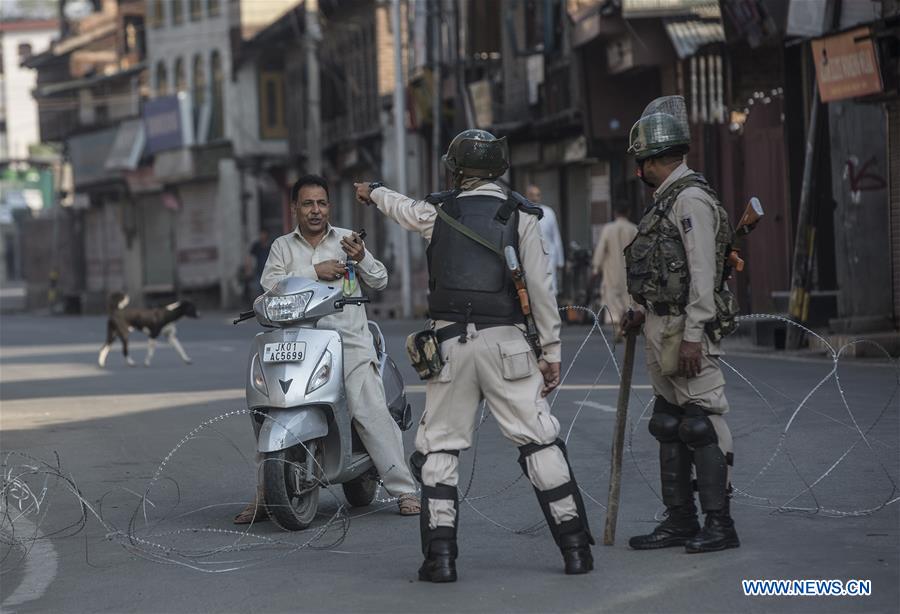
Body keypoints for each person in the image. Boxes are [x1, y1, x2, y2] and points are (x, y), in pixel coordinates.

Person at [353, 129, 594, 582]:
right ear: (499, 168)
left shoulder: (437, 211)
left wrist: (374, 192)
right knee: (538, 442)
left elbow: (401, 209)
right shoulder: (522, 215)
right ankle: (575, 548)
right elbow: (542, 292)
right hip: (508, 346)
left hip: (449, 348)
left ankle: (440, 560)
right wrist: (551, 353)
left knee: (440, 447)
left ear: (456, 169)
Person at [233, 174, 420, 524]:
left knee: (369, 411)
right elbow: (269, 285)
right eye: (307, 204)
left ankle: (404, 489)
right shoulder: (282, 247)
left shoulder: (347, 240)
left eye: (321, 203)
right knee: (271, 409)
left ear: (328, 207)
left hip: (347, 340)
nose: (315, 210)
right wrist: (314, 271)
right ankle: (265, 492)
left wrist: (362, 258)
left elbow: (380, 280)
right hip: (295, 340)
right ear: (294, 209)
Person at [620, 96, 740, 553]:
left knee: (701, 423)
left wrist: (694, 335)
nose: (638, 169)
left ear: (653, 158)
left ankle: (719, 524)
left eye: (641, 160)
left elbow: (703, 272)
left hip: (684, 331)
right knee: (669, 423)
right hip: (660, 324)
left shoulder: (690, 198)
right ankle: (680, 521)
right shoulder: (667, 198)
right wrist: (643, 311)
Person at [591, 202, 637, 327]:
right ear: (628, 212)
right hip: (629, 270)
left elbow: (601, 249)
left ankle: (616, 325)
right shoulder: (634, 229)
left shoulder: (608, 228)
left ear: (615, 213)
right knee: (628, 299)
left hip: (611, 270)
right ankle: (628, 324)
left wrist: (596, 268)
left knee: (612, 298)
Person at [526, 185, 564, 296]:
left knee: (551, 291)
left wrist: (560, 261)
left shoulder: (549, 212)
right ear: (526, 196)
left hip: (550, 258)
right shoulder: (523, 213)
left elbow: (556, 237)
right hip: (531, 258)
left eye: (537, 195)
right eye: (532, 195)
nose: (535, 198)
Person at [247, 229, 271, 299]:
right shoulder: (257, 245)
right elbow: (249, 257)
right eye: (261, 235)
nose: (262, 236)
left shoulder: (271, 245)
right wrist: (248, 268)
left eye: (264, 235)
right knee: (258, 290)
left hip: (269, 271)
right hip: (259, 271)